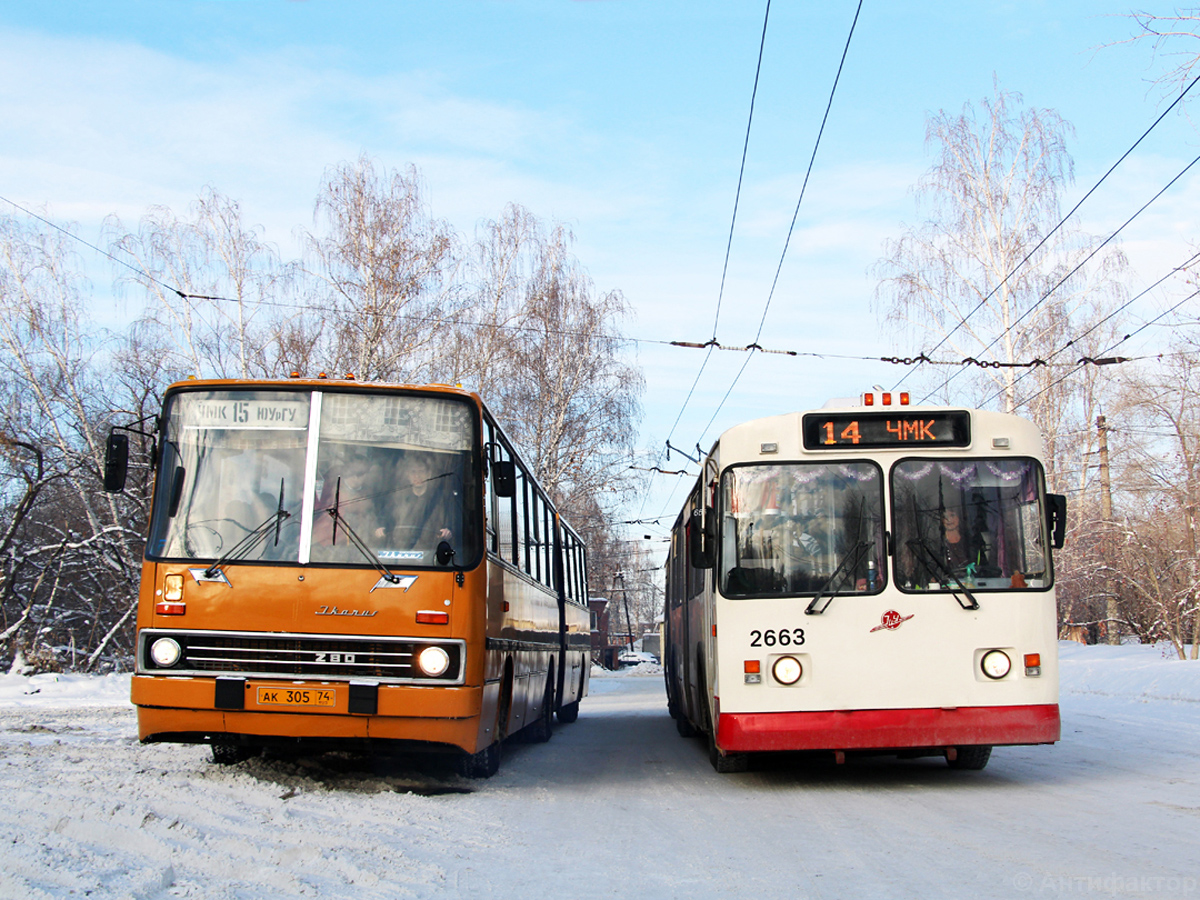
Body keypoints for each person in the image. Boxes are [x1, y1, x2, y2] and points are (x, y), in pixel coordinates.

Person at [390, 452, 454, 549]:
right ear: (408, 475)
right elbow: (386, 522)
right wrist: (381, 529)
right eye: (413, 472)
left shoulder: (440, 500)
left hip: (430, 552)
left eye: (421, 471)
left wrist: (448, 530)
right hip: (400, 551)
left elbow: (452, 525)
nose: (417, 476)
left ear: (429, 474)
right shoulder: (398, 499)